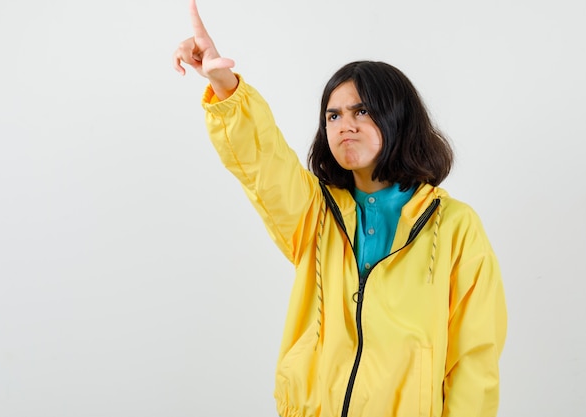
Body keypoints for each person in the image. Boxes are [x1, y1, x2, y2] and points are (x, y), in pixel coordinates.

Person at [173, 1, 507, 416]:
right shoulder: (315, 213)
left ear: (398, 119)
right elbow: (264, 163)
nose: (344, 125)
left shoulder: (455, 226)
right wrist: (225, 86)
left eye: (362, 111)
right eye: (333, 115)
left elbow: (475, 357)